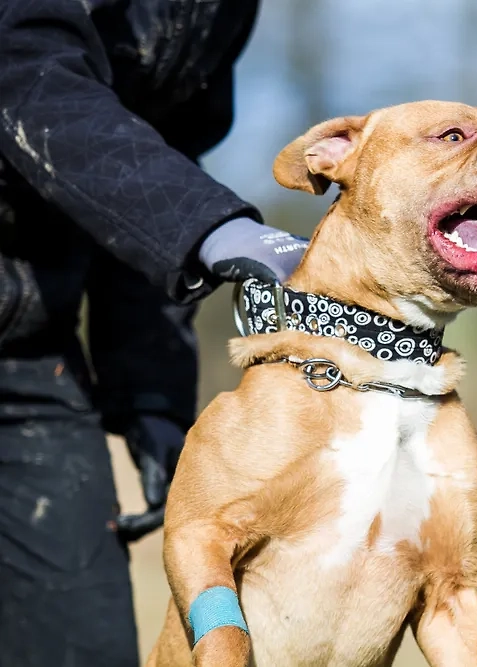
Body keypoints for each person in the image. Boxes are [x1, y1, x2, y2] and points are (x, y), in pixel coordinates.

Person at [0, 1, 309, 665]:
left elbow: (156, 147)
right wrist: (211, 229)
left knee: (84, 640)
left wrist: (154, 399)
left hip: (29, 352)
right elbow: (24, 72)